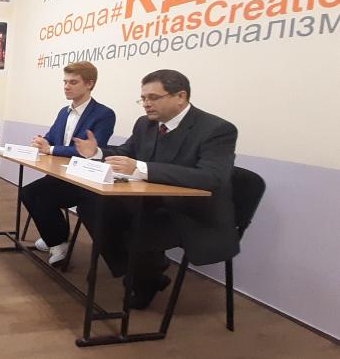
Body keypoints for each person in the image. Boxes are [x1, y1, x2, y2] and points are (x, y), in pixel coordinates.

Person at [71, 69, 237, 309]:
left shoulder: (217, 129)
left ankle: (144, 278)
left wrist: (142, 168)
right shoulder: (145, 124)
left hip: (191, 212)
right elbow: (126, 153)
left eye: (153, 98)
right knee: (91, 205)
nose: (146, 104)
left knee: (137, 229)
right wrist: (96, 153)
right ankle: (143, 273)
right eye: (143, 98)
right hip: (149, 201)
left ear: (180, 96)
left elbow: (211, 177)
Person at [21, 61, 116, 266]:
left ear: (89, 84)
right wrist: (41, 142)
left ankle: (58, 241)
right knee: (28, 193)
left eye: (73, 82)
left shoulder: (104, 114)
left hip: (83, 180)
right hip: (59, 175)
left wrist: (51, 149)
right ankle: (56, 237)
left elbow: (89, 151)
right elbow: (50, 139)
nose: (66, 86)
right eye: (65, 82)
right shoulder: (63, 112)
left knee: (39, 196)